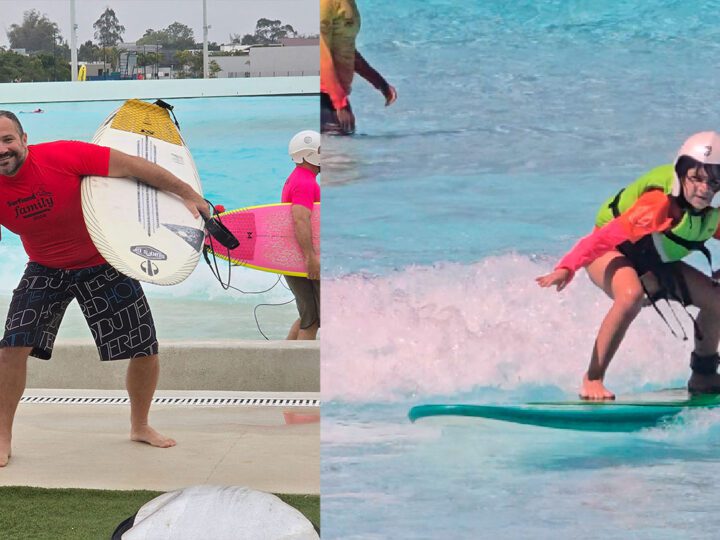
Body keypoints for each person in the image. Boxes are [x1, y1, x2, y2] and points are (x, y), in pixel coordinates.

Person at [0, 110, 209, 467]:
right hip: (45, 268)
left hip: (101, 262)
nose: (2, 149)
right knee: (12, 347)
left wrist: (189, 194)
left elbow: (134, 167)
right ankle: (2, 436)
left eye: (7, 140)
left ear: (24, 140)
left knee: (144, 347)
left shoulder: (63, 157)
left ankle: (140, 425)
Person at [536, 132, 720, 400]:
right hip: (609, 252)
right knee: (630, 294)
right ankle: (593, 379)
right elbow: (601, 239)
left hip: (654, 262)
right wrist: (568, 266)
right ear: (681, 174)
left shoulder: (708, 216)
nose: (704, 188)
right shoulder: (656, 205)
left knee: (717, 298)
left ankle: (704, 375)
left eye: (714, 182)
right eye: (696, 178)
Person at [320, 0, 397, 135]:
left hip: (334, 96)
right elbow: (318, 53)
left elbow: (345, 49)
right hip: (323, 98)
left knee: (346, 151)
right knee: (338, 152)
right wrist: (340, 102)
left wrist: (379, 83)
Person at [283, 130, 321, 340]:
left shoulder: (296, 178)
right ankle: (299, 372)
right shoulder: (305, 182)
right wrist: (310, 258)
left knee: (309, 315)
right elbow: (300, 219)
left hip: (294, 256)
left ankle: (285, 362)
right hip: (303, 258)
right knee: (312, 319)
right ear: (308, 155)